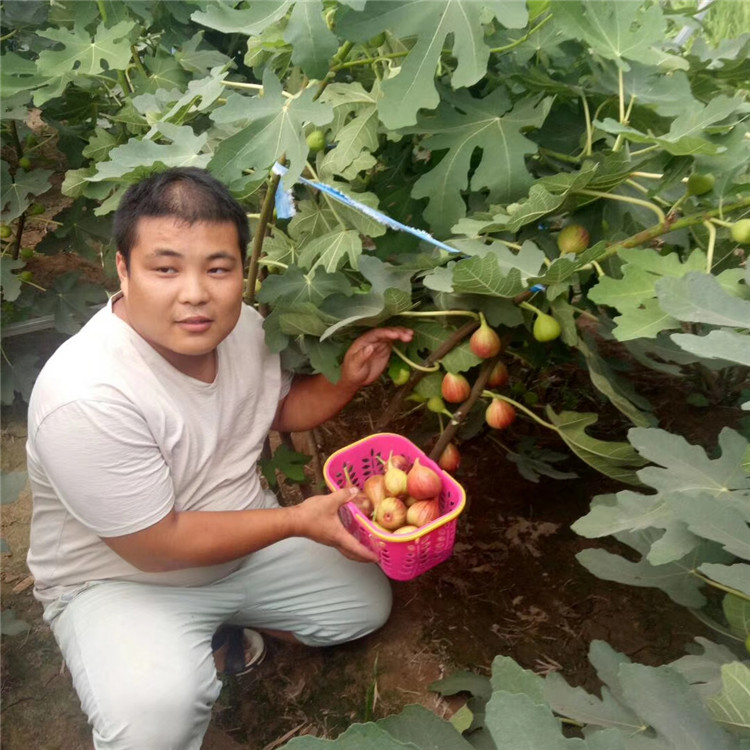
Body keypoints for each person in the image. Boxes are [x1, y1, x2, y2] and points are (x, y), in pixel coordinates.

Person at [25, 167, 413, 750]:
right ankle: (168, 657)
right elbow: (155, 546)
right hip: (120, 580)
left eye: (217, 268)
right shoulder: (86, 395)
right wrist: (294, 520)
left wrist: (346, 382)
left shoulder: (242, 329)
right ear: (123, 270)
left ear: (240, 270)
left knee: (360, 607)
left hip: (243, 543)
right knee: (154, 720)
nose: (196, 294)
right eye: (165, 268)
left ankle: (219, 625)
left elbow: (276, 407)